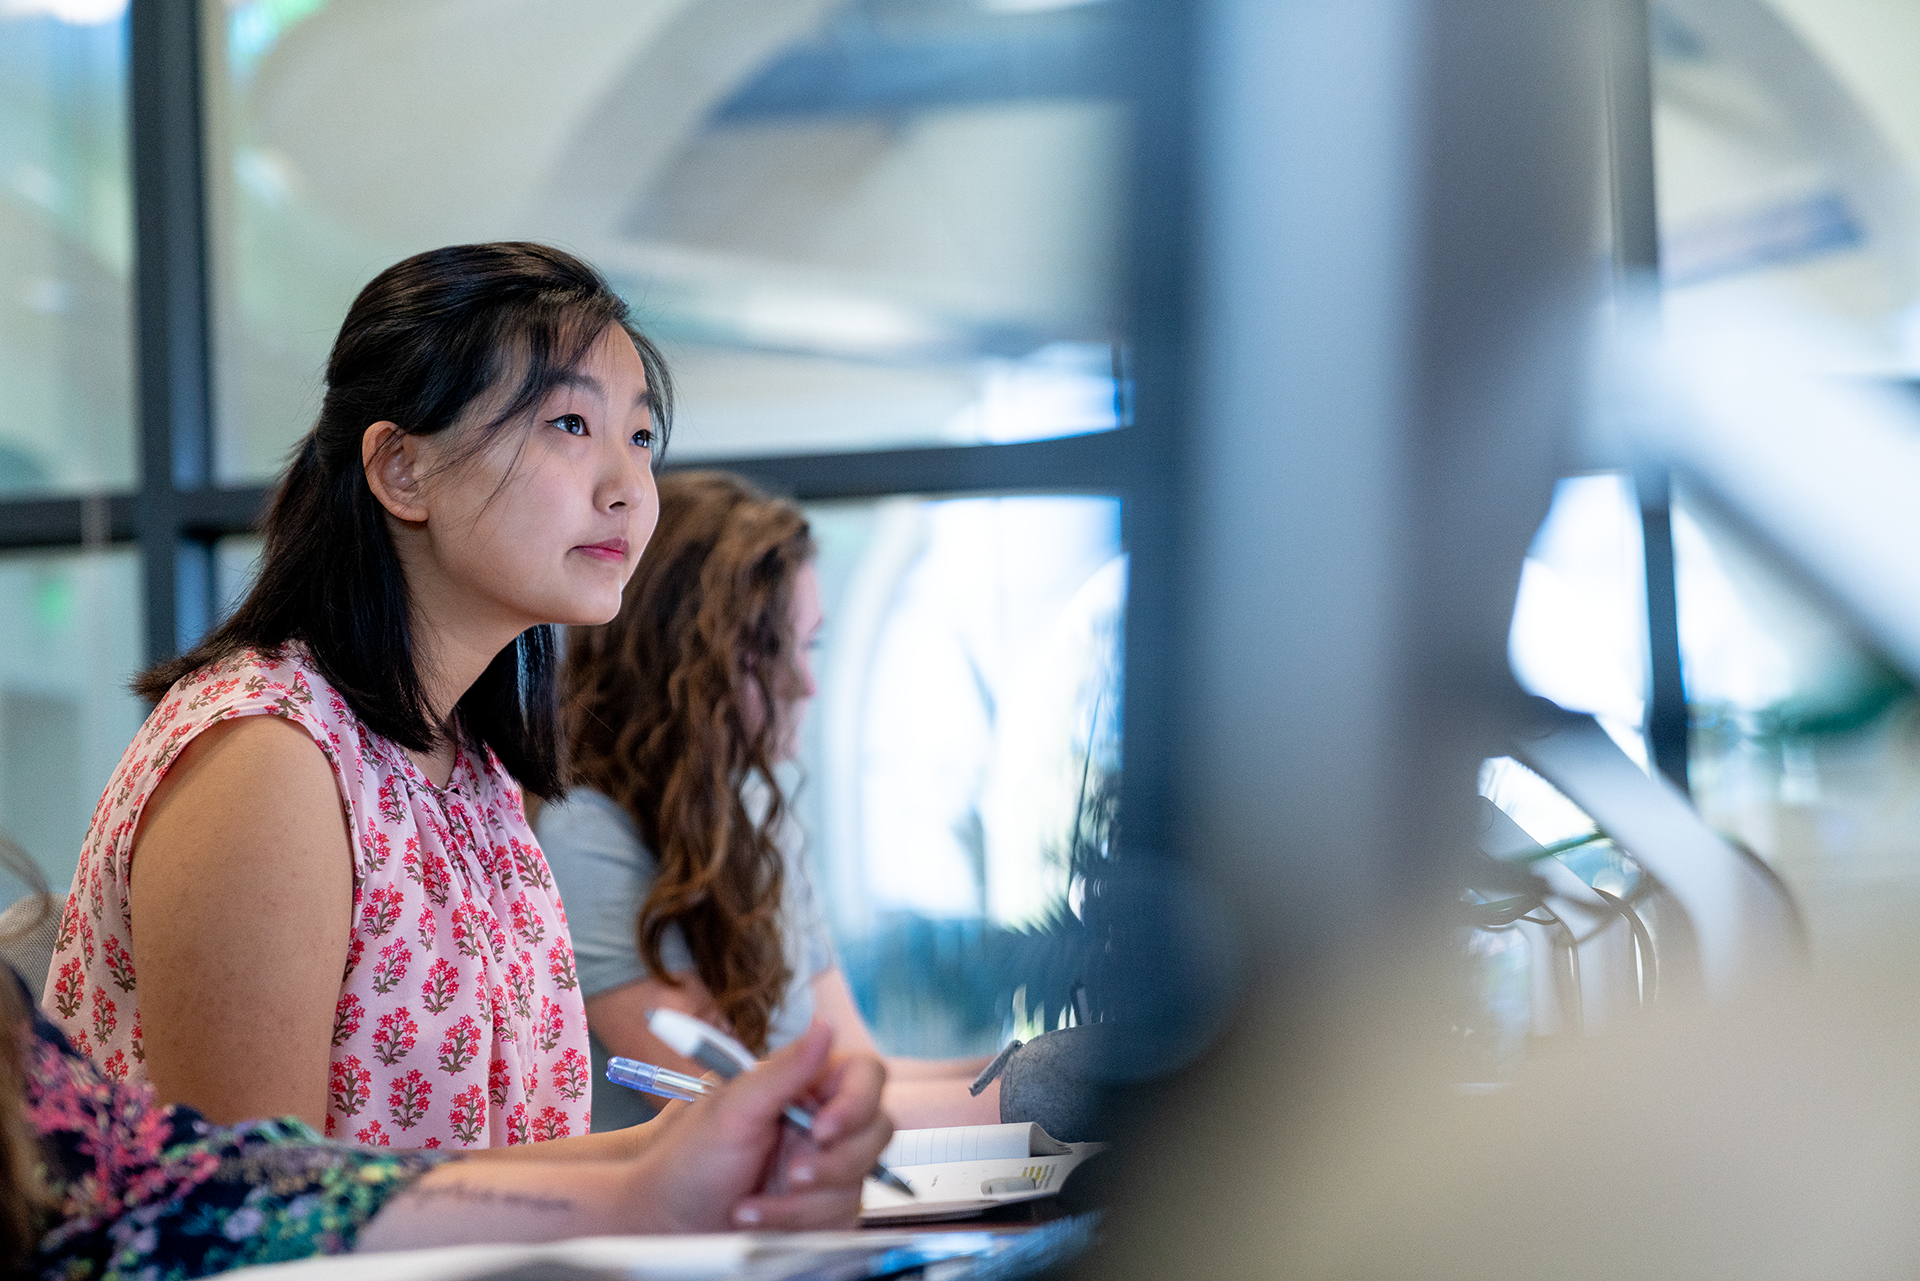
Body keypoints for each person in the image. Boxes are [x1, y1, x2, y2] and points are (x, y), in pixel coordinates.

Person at [41, 243, 874, 1158]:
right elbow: (263, 1209)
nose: (629, 488)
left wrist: (694, 1150)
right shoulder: (266, 754)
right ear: (402, 470)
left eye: (639, 437)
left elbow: (492, 1165)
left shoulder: (468, 765)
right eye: (567, 424)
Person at [539, 472, 1000, 1132]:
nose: (804, 682)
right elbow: (726, 1111)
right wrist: (1039, 1093)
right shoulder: (585, 835)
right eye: (771, 649)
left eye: (811, 643)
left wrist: (1036, 1072)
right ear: (684, 658)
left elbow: (859, 1069)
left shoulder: (755, 813)